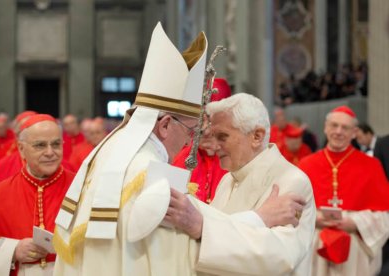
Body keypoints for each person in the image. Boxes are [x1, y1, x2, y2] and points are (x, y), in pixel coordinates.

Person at [53, 23, 307, 276]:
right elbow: (180, 251)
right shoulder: (148, 175)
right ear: (165, 125)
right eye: (190, 131)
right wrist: (259, 219)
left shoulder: (113, 156)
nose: (189, 143)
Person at [167, 93, 316, 275]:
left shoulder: (291, 181)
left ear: (257, 136)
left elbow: (279, 256)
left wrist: (203, 228)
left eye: (222, 136)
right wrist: (259, 217)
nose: (214, 145)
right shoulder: (228, 179)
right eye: (213, 136)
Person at [0, 114, 75, 275]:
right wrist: (12, 250)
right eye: (40, 145)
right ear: (21, 149)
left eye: (56, 144)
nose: (50, 152)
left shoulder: (82, 188)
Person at [298, 106, 389, 276]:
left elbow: (384, 215)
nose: (338, 132)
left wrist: (355, 223)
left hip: (355, 245)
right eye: (334, 125)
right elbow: (291, 209)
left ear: (354, 132)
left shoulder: (371, 166)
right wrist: (314, 219)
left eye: (345, 128)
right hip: (315, 244)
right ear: (326, 127)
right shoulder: (306, 164)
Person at [172, 78, 231, 203]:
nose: (206, 130)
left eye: (211, 120)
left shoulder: (237, 162)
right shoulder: (180, 159)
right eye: (201, 120)